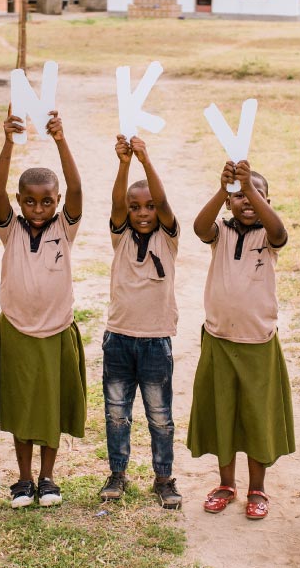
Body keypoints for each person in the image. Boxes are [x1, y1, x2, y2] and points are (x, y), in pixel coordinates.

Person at [0, 108, 86, 508]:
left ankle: (48, 478)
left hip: (55, 332)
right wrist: (9, 142)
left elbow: (78, 190)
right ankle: (24, 479)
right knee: (20, 405)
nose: (38, 209)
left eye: (47, 202)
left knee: (49, 407)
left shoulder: (64, 228)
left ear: (57, 201)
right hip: (15, 330)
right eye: (29, 202)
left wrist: (61, 140)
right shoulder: (10, 229)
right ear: (19, 201)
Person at [187, 159, 294, 521]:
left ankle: (257, 488)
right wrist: (224, 188)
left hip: (257, 342)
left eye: (256, 195)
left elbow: (280, 231)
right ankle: (226, 484)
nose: (247, 201)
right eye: (239, 196)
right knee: (224, 415)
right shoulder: (220, 231)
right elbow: (199, 227)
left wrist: (248, 187)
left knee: (256, 418)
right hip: (219, 338)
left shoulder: (269, 236)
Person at [98, 134, 182, 510]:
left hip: (155, 341)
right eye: (136, 207)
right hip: (118, 338)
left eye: (149, 207)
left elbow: (163, 202)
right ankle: (118, 473)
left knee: (159, 416)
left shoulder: (168, 237)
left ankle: (163, 478)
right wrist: (124, 163)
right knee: (117, 413)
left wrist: (146, 160)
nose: (144, 212)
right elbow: (117, 202)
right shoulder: (120, 236)